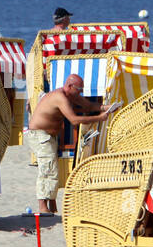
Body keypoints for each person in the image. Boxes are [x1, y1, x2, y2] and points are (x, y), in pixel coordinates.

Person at [26, 74, 115, 214]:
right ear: (69, 86)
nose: (80, 93)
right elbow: (73, 120)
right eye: (78, 90)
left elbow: (89, 105)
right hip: (39, 134)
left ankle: (51, 204)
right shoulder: (60, 97)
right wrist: (99, 118)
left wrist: (107, 107)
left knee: (52, 167)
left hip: (48, 136)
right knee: (47, 168)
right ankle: (43, 207)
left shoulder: (70, 95)